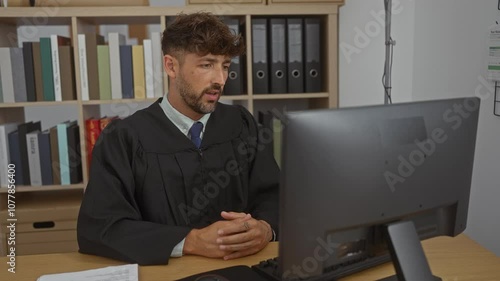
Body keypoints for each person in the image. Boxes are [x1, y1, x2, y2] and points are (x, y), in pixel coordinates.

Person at [76, 12, 279, 265]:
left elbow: (274, 196)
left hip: (241, 267)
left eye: (225, 65)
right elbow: (99, 229)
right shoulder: (124, 138)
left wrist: (266, 228)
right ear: (171, 66)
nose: (220, 79)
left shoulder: (241, 124)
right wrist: (191, 240)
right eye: (206, 65)